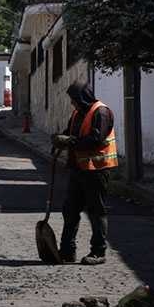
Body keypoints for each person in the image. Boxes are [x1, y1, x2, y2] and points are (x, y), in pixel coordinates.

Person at [51, 78, 118, 265]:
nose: (71, 102)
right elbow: (69, 132)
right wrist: (59, 139)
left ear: (82, 97)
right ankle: (66, 251)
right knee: (70, 208)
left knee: (96, 211)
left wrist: (69, 141)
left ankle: (98, 252)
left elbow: (95, 140)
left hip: (97, 170)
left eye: (73, 99)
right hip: (79, 169)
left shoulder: (100, 112)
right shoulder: (78, 113)